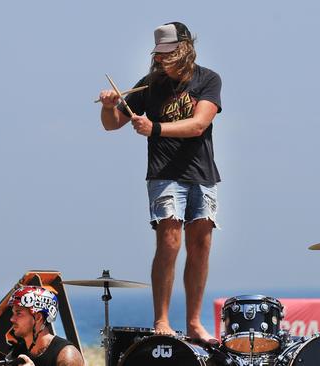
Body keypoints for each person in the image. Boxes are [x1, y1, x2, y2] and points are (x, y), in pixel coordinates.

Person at [98, 21, 222, 343]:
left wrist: (154, 129)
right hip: (165, 173)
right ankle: (162, 320)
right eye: (159, 55)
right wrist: (110, 107)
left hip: (202, 174)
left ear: (184, 50)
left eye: (168, 54)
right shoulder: (149, 86)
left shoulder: (207, 80)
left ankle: (194, 322)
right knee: (169, 242)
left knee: (201, 247)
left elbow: (199, 124)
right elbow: (112, 125)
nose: (162, 60)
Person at [8, 286, 84, 366]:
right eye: (13, 313)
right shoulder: (16, 353)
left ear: (38, 317)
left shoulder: (67, 355)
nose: (12, 319)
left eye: (18, 313)